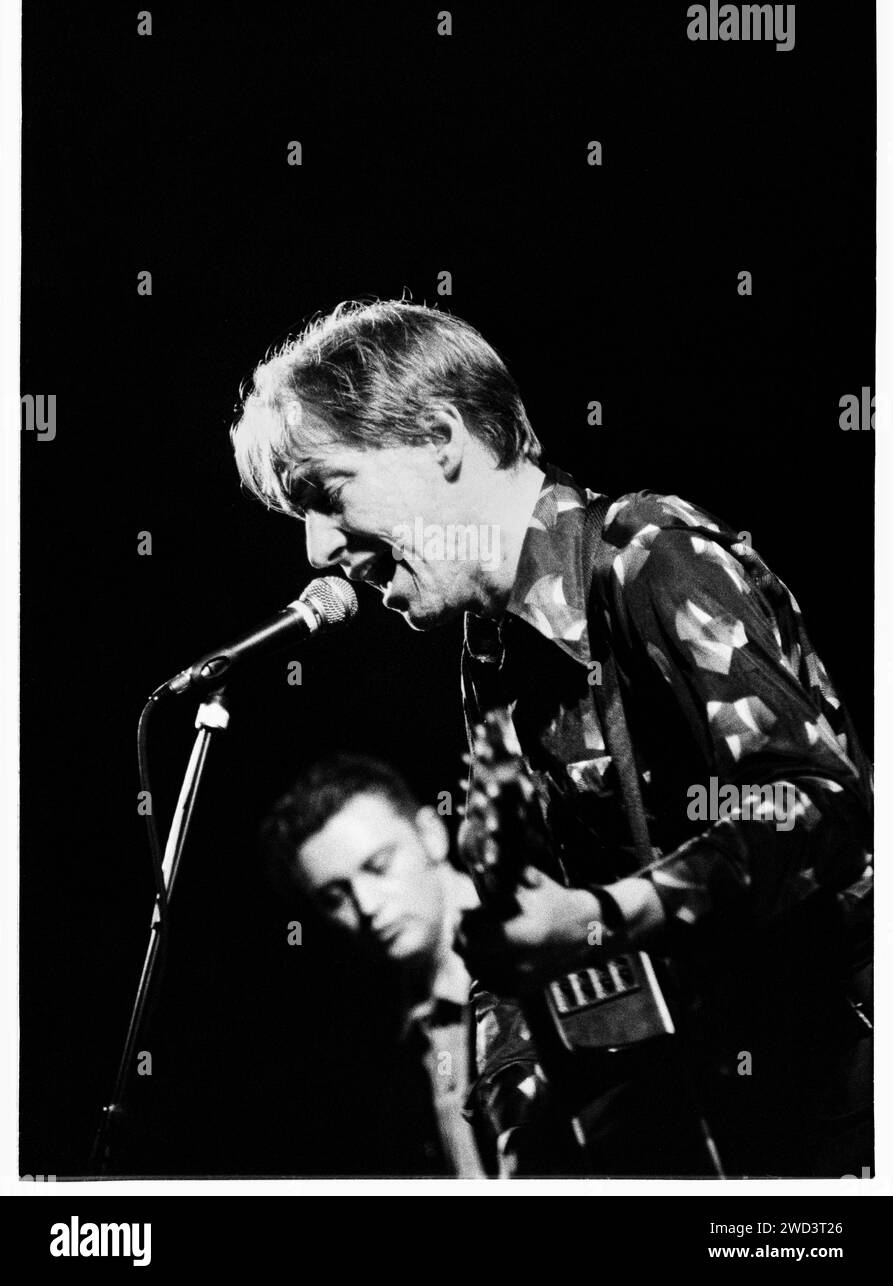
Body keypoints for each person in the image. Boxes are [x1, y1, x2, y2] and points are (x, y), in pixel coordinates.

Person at [233, 299, 873, 1177]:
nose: (315, 550)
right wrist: (516, 1128)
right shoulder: (491, 653)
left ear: (440, 437)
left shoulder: (646, 554)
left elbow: (824, 806)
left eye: (326, 494)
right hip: (717, 1134)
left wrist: (600, 917)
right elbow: (527, 940)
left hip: (843, 1114)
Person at [261, 752, 489, 1177]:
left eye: (378, 866)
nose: (365, 906)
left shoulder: (543, 947)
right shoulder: (384, 1036)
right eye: (334, 898)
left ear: (431, 834)